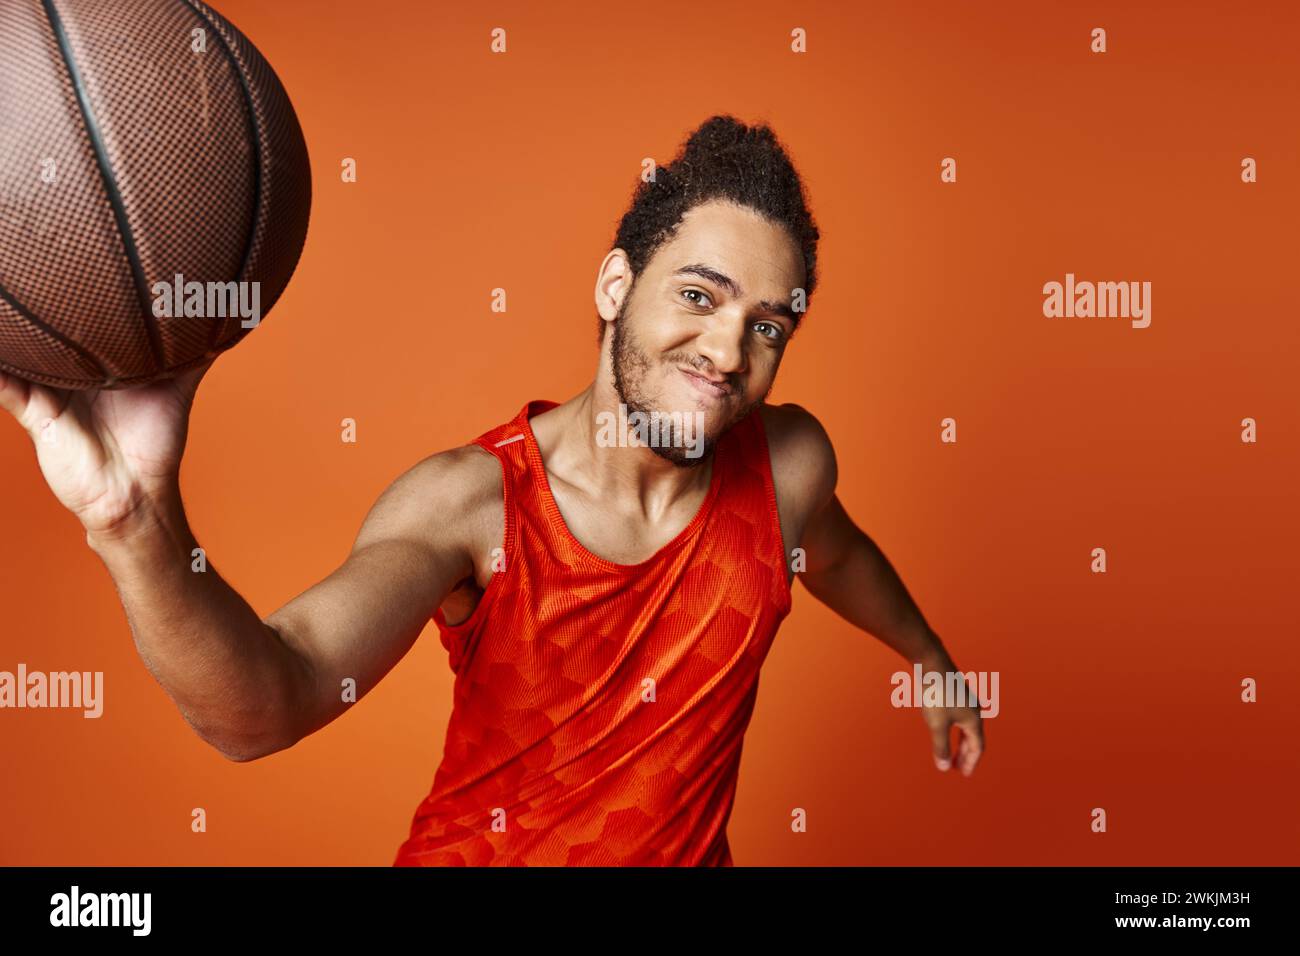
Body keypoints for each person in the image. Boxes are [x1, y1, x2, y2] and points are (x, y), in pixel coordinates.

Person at [0, 114, 983, 866]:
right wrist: (132, 522)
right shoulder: (475, 504)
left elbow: (839, 556)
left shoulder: (791, 466)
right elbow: (266, 701)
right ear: (614, 286)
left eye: (768, 325)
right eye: (698, 294)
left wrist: (931, 659)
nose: (728, 350)